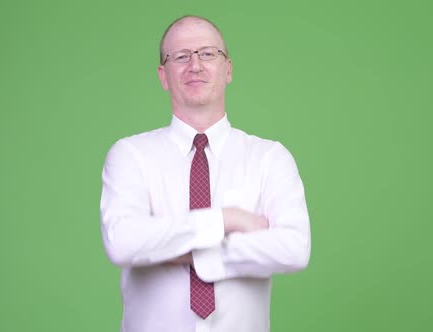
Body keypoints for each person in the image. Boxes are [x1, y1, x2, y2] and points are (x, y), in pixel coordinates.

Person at [99, 15, 311, 332]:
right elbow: (123, 242)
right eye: (181, 56)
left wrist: (186, 251)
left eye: (208, 53)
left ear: (228, 69)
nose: (195, 65)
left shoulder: (270, 158)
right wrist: (227, 220)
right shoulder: (130, 156)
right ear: (163, 76)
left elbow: (294, 249)